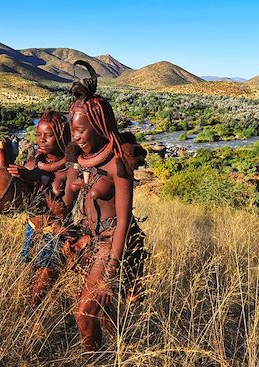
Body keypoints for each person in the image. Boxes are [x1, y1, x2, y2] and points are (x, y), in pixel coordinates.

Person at [63, 61, 148, 353]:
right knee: (103, 310)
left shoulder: (117, 165)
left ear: (99, 127)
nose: (75, 136)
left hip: (110, 244)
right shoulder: (78, 160)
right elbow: (67, 201)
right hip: (89, 241)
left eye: (81, 131)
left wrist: (112, 266)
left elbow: (123, 220)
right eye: (72, 130)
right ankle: (126, 349)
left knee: (84, 313)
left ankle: (93, 359)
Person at [7, 111, 70, 306]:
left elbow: (62, 212)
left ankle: (32, 314)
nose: (41, 140)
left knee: (46, 275)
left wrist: (34, 182)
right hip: (32, 228)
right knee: (28, 270)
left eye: (47, 135)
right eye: (38, 135)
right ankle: (31, 312)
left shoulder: (70, 168)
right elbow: (19, 202)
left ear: (61, 136)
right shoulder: (32, 164)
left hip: (55, 233)